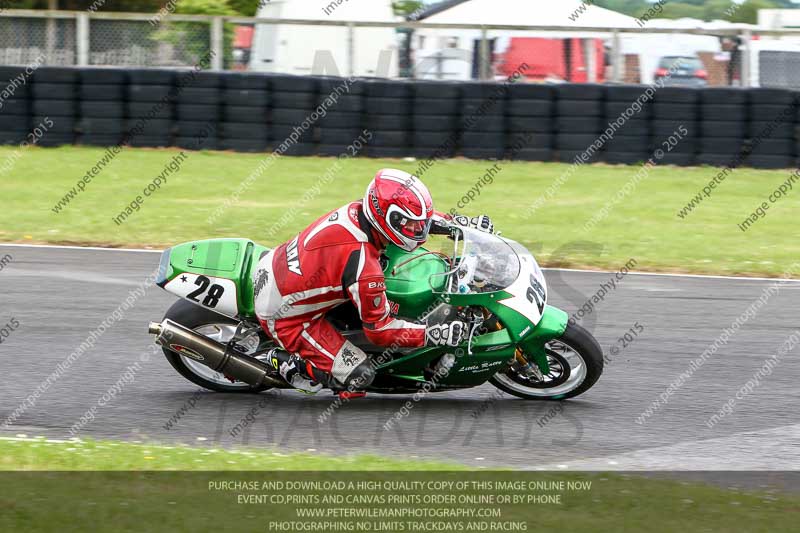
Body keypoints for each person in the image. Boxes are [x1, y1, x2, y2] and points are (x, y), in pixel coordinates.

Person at [253, 168, 494, 393]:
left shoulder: (360, 210)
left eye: (419, 222)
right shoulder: (364, 267)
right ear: (385, 218)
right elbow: (381, 331)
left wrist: (459, 223)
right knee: (361, 375)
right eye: (409, 224)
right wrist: (433, 334)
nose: (417, 229)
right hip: (287, 317)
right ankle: (288, 363)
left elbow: (417, 220)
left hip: (282, 266)